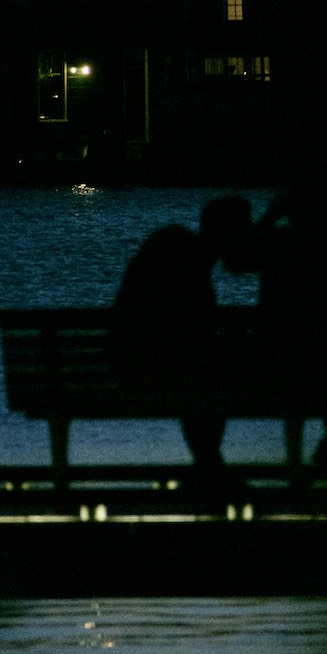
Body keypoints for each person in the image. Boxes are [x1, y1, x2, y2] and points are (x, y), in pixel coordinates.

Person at [236, 181, 327, 477]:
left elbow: (236, 258)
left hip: (273, 354)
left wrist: (269, 217)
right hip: (321, 356)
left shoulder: (276, 242)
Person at [111, 195, 253, 478]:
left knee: (202, 371)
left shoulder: (173, 243)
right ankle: (209, 464)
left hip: (129, 361)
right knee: (206, 373)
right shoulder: (190, 266)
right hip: (151, 366)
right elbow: (189, 332)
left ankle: (208, 464)